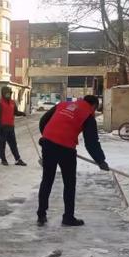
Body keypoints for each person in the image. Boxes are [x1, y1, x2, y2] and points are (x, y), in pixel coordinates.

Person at [37, 95, 109, 227]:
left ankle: (41, 215)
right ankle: (68, 217)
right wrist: (101, 160)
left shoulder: (62, 105)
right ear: (93, 105)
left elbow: (44, 120)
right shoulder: (88, 114)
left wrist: (46, 138)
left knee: (47, 180)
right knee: (69, 183)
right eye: (95, 109)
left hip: (49, 145)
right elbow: (91, 142)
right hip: (66, 149)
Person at [0, 86, 27, 166]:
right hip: (2, 127)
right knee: (2, 144)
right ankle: (3, 160)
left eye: (9, 93)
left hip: (11, 127)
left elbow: (15, 112)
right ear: (3, 94)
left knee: (13, 144)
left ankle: (17, 159)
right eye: (6, 93)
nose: (8, 95)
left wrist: (22, 113)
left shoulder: (12, 102)